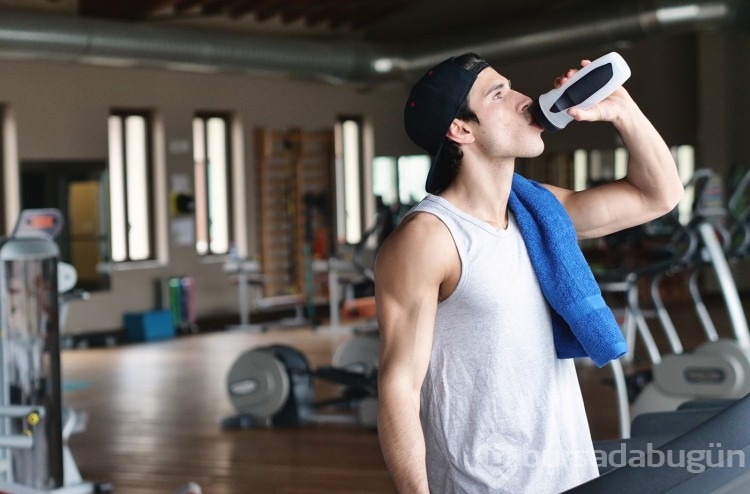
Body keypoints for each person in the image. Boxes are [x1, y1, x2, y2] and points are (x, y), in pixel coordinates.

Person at [374, 52, 684, 493]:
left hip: (569, 476)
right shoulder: (430, 238)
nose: (525, 99)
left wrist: (623, 111)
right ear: (461, 129)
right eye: (499, 94)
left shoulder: (538, 214)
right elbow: (399, 385)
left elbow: (659, 194)